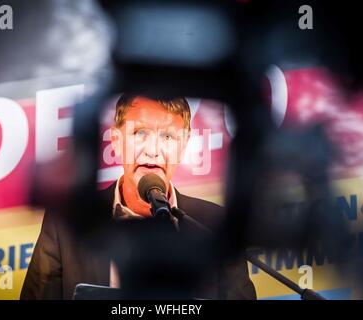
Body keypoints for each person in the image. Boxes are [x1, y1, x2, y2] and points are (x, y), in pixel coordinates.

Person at [20, 94, 256, 299]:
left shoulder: (214, 224)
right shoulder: (66, 221)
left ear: (183, 145)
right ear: (116, 140)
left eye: (168, 137)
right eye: (140, 132)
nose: (153, 151)